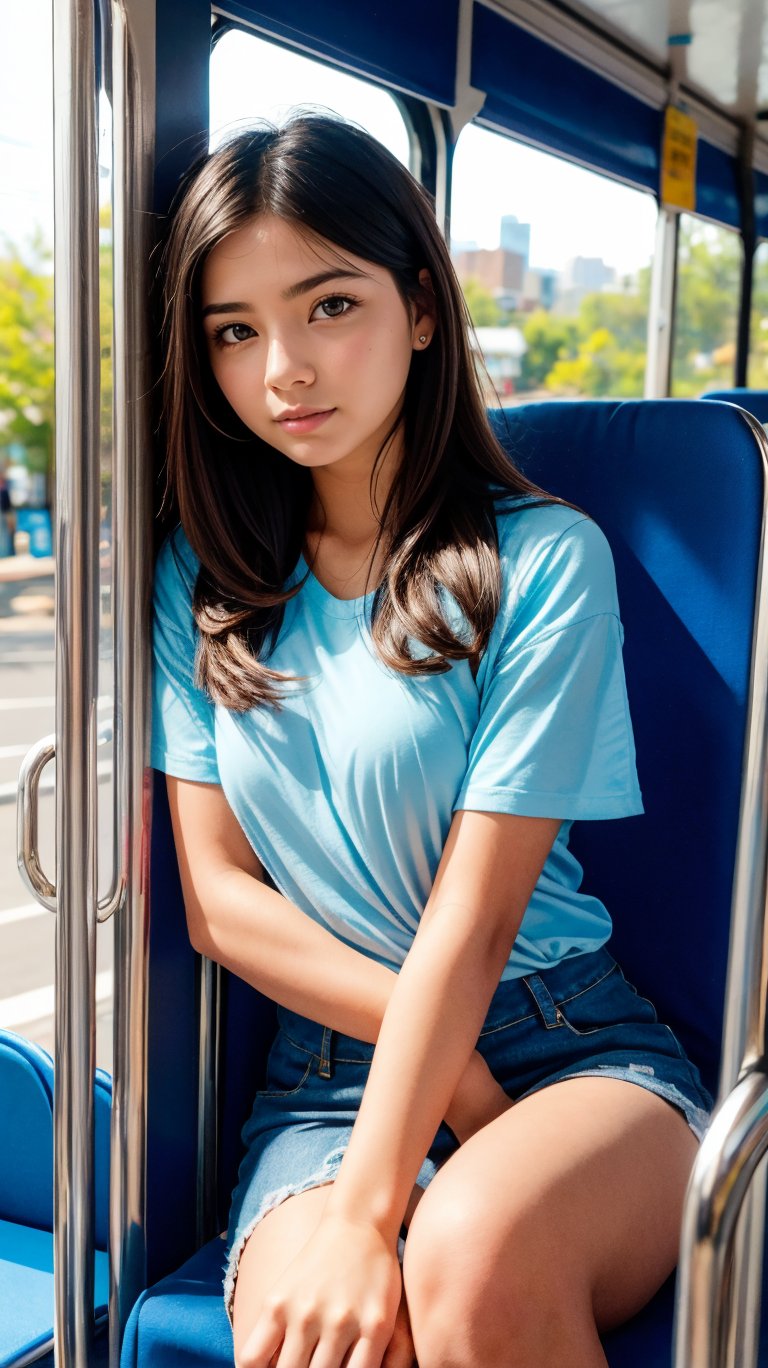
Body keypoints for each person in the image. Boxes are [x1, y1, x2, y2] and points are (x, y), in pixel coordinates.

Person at [150, 112, 712, 1368]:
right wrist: (439, 1109)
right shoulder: (201, 577)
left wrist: (378, 1208)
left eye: (328, 306)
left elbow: (477, 920)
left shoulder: (542, 564)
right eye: (235, 332)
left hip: (563, 1045)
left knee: (464, 1256)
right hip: (322, 1087)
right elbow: (221, 906)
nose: (284, 367)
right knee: (324, 1332)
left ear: (417, 308)